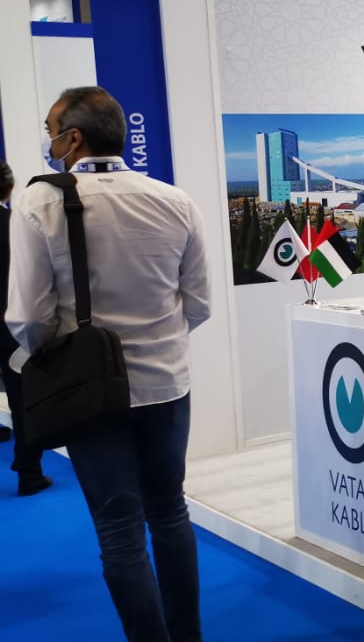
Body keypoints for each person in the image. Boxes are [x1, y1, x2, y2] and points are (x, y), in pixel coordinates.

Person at [9, 87, 211, 641]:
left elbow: (27, 317)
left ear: (73, 138)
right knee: (170, 512)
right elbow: (199, 304)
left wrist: (56, 354)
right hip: (167, 385)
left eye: (51, 131)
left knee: (120, 531)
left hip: (88, 393)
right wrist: (158, 343)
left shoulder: (40, 202)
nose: (48, 142)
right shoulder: (175, 200)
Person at [0, 161, 50, 496]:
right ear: (9, 188)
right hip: (11, 328)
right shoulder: (15, 225)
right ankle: (30, 474)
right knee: (23, 403)